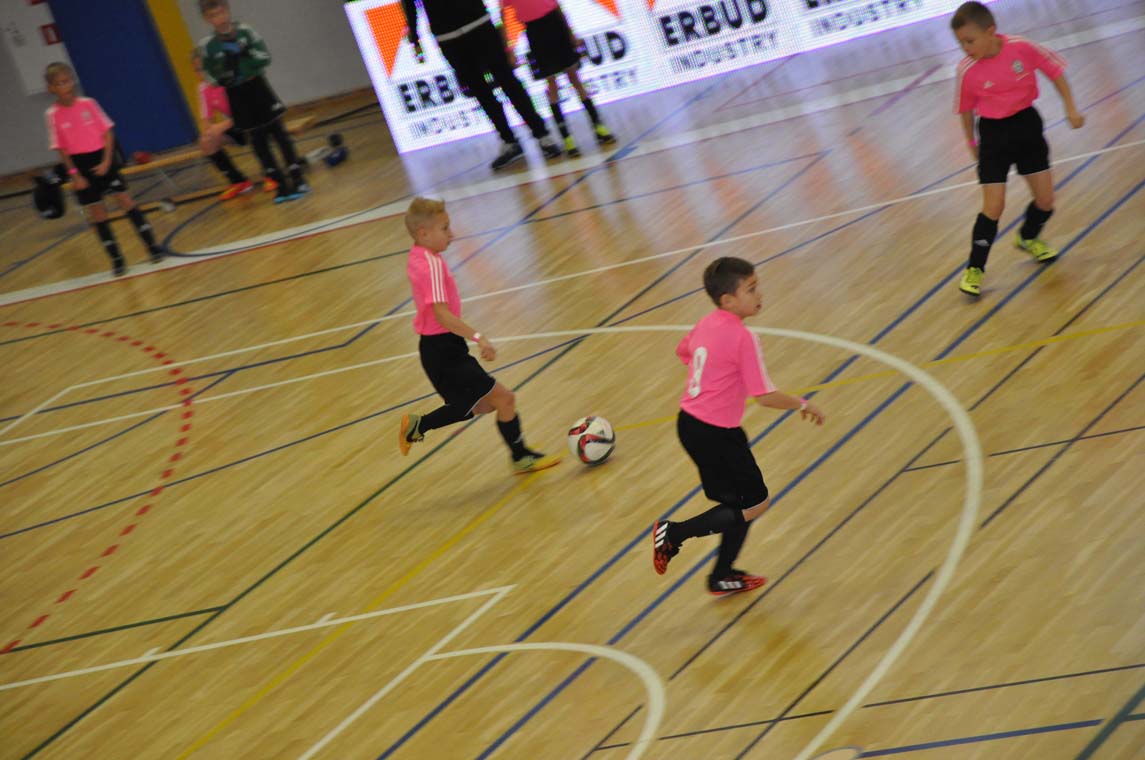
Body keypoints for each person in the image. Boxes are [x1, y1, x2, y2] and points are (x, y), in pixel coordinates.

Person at [651, 257, 825, 596]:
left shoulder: (706, 323)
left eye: (757, 286)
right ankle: (673, 534)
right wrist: (803, 404)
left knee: (739, 505)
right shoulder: (743, 338)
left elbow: (683, 351)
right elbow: (765, 396)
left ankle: (722, 574)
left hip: (690, 425)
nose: (760, 294)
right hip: (717, 434)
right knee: (754, 503)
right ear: (728, 300)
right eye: (751, 289)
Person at [398, 197, 560, 475]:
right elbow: (442, 315)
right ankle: (521, 457)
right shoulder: (431, 265)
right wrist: (478, 337)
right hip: (444, 350)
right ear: (423, 233)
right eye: (445, 228)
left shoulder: (417, 256)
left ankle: (417, 425)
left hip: (437, 349)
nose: (452, 234)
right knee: (504, 399)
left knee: (479, 405)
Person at [951, 1, 1084, 297]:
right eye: (961, 43)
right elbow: (966, 111)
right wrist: (972, 144)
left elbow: (1055, 71)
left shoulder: (1021, 48)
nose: (966, 48)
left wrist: (1070, 107)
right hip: (993, 135)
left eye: (970, 41)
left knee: (1046, 201)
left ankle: (1028, 237)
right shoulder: (966, 70)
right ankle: (975, 268)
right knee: (994, 206)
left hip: (1026, 126)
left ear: (991, 31)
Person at [400, 0, 562, 171]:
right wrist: (415, 40)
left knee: (508, 82)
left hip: (479, 24)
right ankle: (509, 140)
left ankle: (541, 134)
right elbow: (410, 4)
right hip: (448, 37)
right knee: (480, 92)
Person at [44, 62, 166, 277]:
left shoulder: (88, 104)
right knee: (98, 212)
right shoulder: (53, 114)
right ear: (51, 88)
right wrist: (75, 175)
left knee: (125, 200)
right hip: (80, 165)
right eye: (60, 83)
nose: (67, 86)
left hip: (102, 157)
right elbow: (62, 149)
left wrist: (107, 161)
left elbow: (108, 132)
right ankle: (117, 259)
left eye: (68, 80)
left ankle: (152, 246)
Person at [198, 0, 307, 204]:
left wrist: (245, 62)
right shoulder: (208, 45)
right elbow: (208, 73)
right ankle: (280, 185)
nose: (219, 19)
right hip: (236, 95)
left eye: (221, 12)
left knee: (279, 135)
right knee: (258, 142)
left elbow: (264, 57)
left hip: (257, 87)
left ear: (227, 10)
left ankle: (298, 179)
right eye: (213, 16)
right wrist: (223, 78)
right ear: (206, 19)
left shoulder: (246, 31)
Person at [502, 0, 615, 157]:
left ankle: (598, 126)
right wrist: (509, 49)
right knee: (552, 84)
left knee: (574, 78)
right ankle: (567, 138)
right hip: (535, 32)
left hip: (555, 24)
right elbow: (504, 16)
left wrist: (570, 33)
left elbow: (556, 6)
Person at [191, 49, 254, 200]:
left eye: (204, 68)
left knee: (253, 128)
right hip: (236, 126)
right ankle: (239, 181)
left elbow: (247, 111)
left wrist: (220, 127)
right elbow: (205, 120)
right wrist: (209, 132)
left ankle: (272, 173)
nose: (202, 73)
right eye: (197, 70)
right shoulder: (203, 88)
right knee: (206, 141)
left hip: (255, 120)